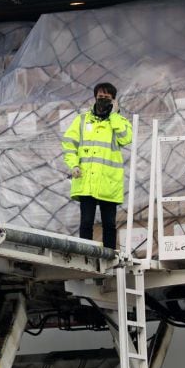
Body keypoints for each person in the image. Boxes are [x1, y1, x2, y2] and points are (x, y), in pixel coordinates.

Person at [61, 82, 132, 249]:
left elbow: (126, 138)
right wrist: (74, 165)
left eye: (107, 98)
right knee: (86, 222)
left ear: (114, 101)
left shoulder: (120, 121)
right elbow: (69, 144)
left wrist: (114, 114)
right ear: (94, 98)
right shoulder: (82, 120)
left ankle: (110, 255)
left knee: (109, 223)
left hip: (108, 181)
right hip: (86, 180)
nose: (103, 100)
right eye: (100, 97)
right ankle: (86, 253)